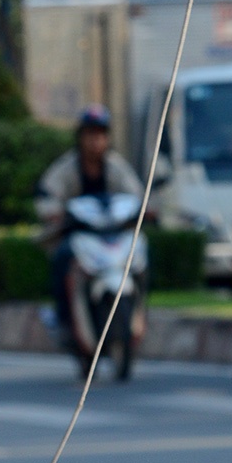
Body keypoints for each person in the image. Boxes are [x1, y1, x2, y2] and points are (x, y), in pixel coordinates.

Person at [36, 104, 144, 337]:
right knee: (62, 257)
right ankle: (63, 319)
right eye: (90, 135)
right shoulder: (67, 167)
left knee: (143, 255)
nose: (95, 141)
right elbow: (47, 195)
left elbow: (136, 194)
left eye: (100, 135)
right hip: (80, 237)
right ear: (81, 138)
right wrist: (54, 211)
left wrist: (145, 209)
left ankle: (140, 310)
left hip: (113, 235)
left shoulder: (115, 167)